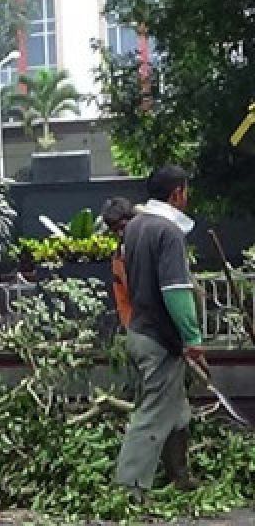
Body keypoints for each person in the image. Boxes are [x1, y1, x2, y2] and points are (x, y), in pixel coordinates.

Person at [115, 165, 202, 494]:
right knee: (153, 412)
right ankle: (129, 491)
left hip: (139, 331)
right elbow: (176, 291)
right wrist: (193, 337)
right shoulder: (167, 231)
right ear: (177, 193)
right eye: (185, 191)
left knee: (176, 409)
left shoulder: (136, 226)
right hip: (159, 337)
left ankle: (180, 477)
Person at [101, 197, 136, 329]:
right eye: (115, 230)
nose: (121, 233)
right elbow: (122, 297)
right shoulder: (119, 258)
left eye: (123, 227)